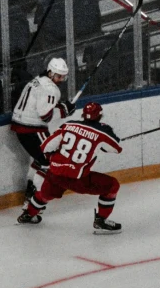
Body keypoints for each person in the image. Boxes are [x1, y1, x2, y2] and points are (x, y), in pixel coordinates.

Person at [17, 99, 123, 232]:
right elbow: (117, 148)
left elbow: (45, 146)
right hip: (77, 179)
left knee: (45, 194)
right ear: (100, 116)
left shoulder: (68, 125)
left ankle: (29, 214)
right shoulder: (102, 132)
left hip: (55, 173)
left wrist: (54, 159)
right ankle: (101, 221)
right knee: (112, 186)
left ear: (83, 115)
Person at [10, 55, 70, 193]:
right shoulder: (51, 89)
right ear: (51, 73)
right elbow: (46, 116)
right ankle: (33, 195)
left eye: (63, 77)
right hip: (31, 129)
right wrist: (64, 110)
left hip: (21, 126)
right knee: (50, 160)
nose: (61, 80)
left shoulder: (37, 80)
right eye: (59, 76)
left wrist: (61, 107)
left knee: (41, 158)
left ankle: (32, 185)